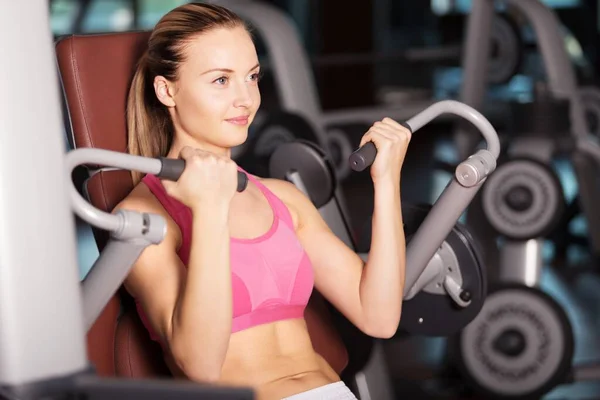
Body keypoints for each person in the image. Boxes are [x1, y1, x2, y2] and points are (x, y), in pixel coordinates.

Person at [114, 3, 410, 399]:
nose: (246, 99)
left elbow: (379, 316)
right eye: (221, 80)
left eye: (252, 77)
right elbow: (200, 365)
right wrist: (210, 209)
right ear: (167, 90)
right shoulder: (142, 217)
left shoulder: (283, 199)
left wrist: (387, 181)